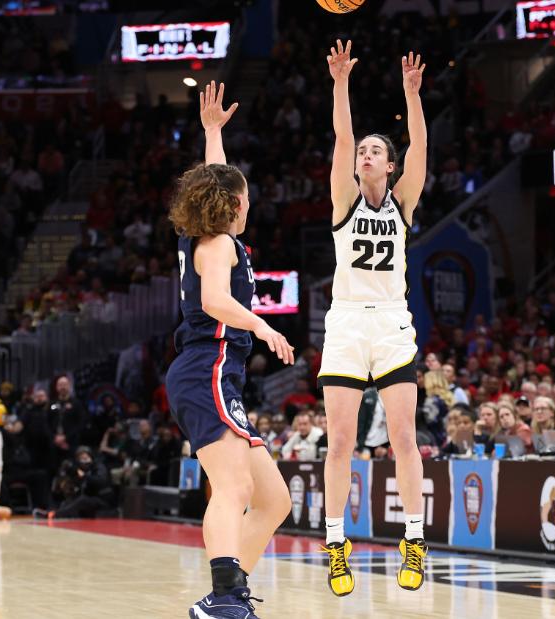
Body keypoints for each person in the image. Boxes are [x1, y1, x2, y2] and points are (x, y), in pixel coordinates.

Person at [163, 81, 294, 618]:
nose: (247, 201)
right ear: (235, 204)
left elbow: (216, 182)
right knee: (234, 485)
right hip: (207, 366)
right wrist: (261, 326)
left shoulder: (213, 236)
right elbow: (216, 300)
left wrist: (213, 133)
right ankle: (223, 599)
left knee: (274, 500)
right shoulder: (216, 245)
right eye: (243, 196)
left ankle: (227, 597)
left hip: (217, 374)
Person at [317, 41, 430, 596]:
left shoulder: (404, 202)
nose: (365, 153)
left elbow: (422, 149)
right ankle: (336, 545)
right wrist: (339, 84)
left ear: (390, 165)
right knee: (341, 444)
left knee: (403, 440)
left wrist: (412, 97)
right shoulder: (344, 199)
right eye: (363, 149)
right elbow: (340, 138)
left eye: (375, 150)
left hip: (390, 324)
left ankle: (414, 538)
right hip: (344, 325)